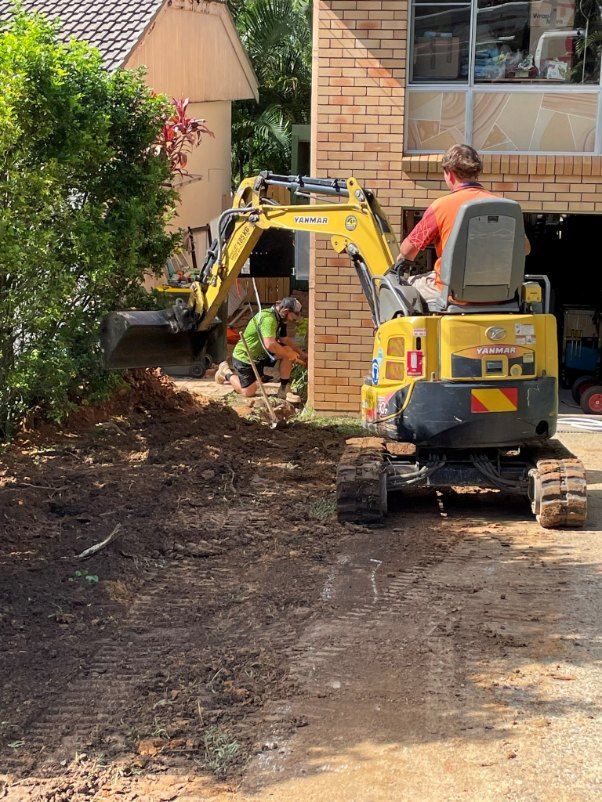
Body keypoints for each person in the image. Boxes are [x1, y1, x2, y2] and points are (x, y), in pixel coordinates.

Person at [395, 143, 530, 304]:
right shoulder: (504, 206)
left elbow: (407, 251)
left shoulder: (440, 207)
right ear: (476, 173)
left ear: (450, 174)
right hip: (501, 294)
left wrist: (398, 263)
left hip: (453, 294)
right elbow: (526, 249)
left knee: (399, 288)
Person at [215, 297, 307, 398]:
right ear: (286, 311)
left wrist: (301, 354)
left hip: (261, 354)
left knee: (287, 350)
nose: (291, 321)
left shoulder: (281, 317)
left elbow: (284, 339)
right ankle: (226, 373)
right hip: (245, 357)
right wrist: (289, 354)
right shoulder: (268, 319)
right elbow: (270, 344)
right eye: (292, 318)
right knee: (249, 392)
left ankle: (284, 389)